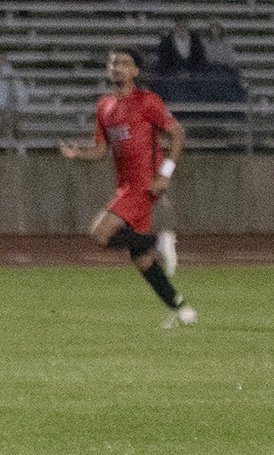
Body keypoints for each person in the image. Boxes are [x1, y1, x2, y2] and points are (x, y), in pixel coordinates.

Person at [60, 48, 195, 327]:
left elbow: (177, 133)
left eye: (124, 63)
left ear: (135, 71)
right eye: (113, 63)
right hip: (125, 186)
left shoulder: (147, 101)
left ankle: (160, 240)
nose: (117, 67)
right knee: (141, 259)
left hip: (144, 185)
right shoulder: (104, 106)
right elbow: (100, 151)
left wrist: (166, 174)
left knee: (99, 234)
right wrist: (79, 153)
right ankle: (181, 309)